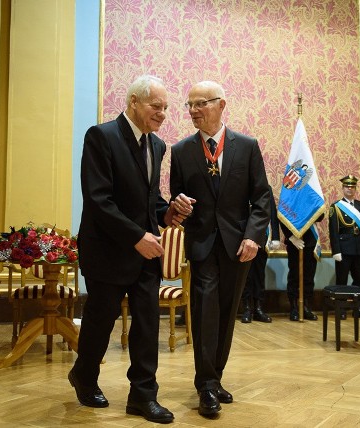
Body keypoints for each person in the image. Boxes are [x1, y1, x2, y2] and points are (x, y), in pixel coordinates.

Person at [68, 75, 184, 424]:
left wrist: (169, 212)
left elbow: (149, 201)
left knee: (147, 323)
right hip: (106, 250)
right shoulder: (101, 137)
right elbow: (99, 200)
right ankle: (84, 377)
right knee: (100, 321)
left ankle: (143, 396)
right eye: (156, 106)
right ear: (134, 101)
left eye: (165, 108)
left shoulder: (158, 146)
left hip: (145, 252)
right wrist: (137, 236)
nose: (162, 113)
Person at [169, 80, 270, 417]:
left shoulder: (247, 146)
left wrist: (254, 236)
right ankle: (206, 385)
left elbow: (262, 197)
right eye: (190, 105)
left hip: (239, 246)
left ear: (221, 104)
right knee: (204, 310)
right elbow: (176, 198)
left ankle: (215, 376)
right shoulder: (182, 151)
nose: (194, 111)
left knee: (226, 313)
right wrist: (177, 203)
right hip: (201, 245)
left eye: (201, 104)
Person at [328, 174, 360, 319]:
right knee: (342, 281)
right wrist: (336, 250)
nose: (350, 189)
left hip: (359, 248)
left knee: (359, 280)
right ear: (342, 188)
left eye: (352, 187)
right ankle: (341, 309)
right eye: (347, 186)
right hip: (344, 249)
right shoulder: (336, 207)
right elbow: (333, 231)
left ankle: (357, 308)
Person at [240, 184, 280, 323]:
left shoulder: (266, 188)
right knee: (245, 276)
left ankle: (258, 308)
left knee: (259, 274)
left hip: (261, 237)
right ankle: (246, 309)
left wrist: (275, 236)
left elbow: (272, 212)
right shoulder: (239, 184)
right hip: (243, 237)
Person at [281, 216, 323, 321]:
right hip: (295, 240)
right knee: (294, 276)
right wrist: (291, 237)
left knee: (309, 276)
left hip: (310, 240)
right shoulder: (290, 198)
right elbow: (282, 216)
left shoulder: (312, 198)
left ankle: (306, 307)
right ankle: (294, 308)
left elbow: (320, 216)